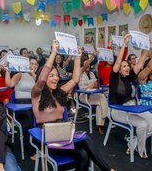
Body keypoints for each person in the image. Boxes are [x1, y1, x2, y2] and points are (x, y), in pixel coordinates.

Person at [31, 40, 114, 171]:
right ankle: (109, 169)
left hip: (64, 132)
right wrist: (53, 52)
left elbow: (75, 79)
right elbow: (41, 79)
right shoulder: (36, 94)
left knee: (83, 154)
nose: (56, 78)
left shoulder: (60, 92)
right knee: (86, 139)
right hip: (48, 137)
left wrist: (78, 57)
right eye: (51, 76)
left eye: (56, 76)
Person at [109, 34, 152, 159]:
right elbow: (118, 61)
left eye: (127, 66)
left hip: (133, 108)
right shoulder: (114, 78)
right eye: (124, 66)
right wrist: (125, 44)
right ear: (118, 69)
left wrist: (148, 47)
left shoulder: (129, 76)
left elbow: (141, 61)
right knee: (142, 124)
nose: (127, 68)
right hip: (118, 110)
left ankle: (134, 143)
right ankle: (141, 149)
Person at [5, 57, 38, 160]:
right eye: (31, 63)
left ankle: (41, 147)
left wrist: (34, 76)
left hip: (33, 105)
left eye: (35, 64)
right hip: (21, 106)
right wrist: (7, 71)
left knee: (41, 123)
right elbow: (9, 84)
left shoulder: (35, 77)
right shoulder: (20, 75)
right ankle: (31, 151)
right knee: (28, 124)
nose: (33, 66)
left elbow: (40, 90)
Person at [79, 54, 108, 135]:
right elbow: (83, 88)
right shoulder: (80, 72)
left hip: (93, 95)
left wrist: (91, 86)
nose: (88, 66)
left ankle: (99, 125)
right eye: (86, 65)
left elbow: (96, 84)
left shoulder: (91, 73)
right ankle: (106, 115)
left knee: (100, 102)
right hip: (83, 96)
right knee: (101, 98)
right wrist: (90, 86)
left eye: (89, 65)